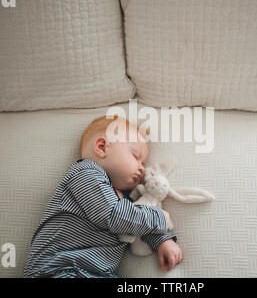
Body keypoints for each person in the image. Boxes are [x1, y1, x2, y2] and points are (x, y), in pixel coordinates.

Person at [23, 115, 182, 278]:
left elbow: (134, 222)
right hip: (58, 269)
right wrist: (160, 219)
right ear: (102, 147)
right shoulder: (85, 174)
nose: (141, 168)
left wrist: (162, 240)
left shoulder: (123, 199)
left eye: (143, 163)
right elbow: (115, 217)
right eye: (135, 156)